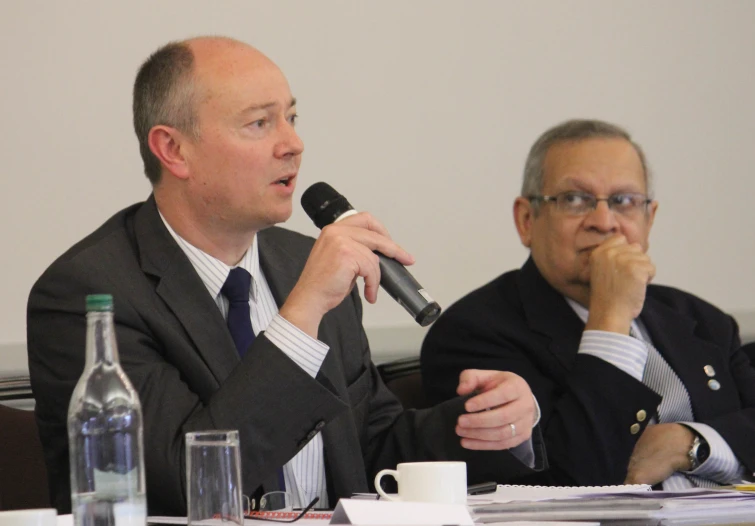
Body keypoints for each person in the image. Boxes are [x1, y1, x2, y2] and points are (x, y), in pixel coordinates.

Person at [27, 37, 543, 515]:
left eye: (292, 117)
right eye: (260, 123)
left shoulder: (303, 263)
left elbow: (370, 448)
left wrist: (490, 423)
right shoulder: (89, 295)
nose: (293, 143)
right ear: (174, 149)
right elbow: (180, 486)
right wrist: (301, 315)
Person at [421, 119, 755, 489]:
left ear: (648, 220)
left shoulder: (701, 319)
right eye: (575, 200)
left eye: (624, 201)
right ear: (527, 220)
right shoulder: (473, 333)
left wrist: (689, 443)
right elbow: (571, 481)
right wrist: (611, 318)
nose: (605, 222)